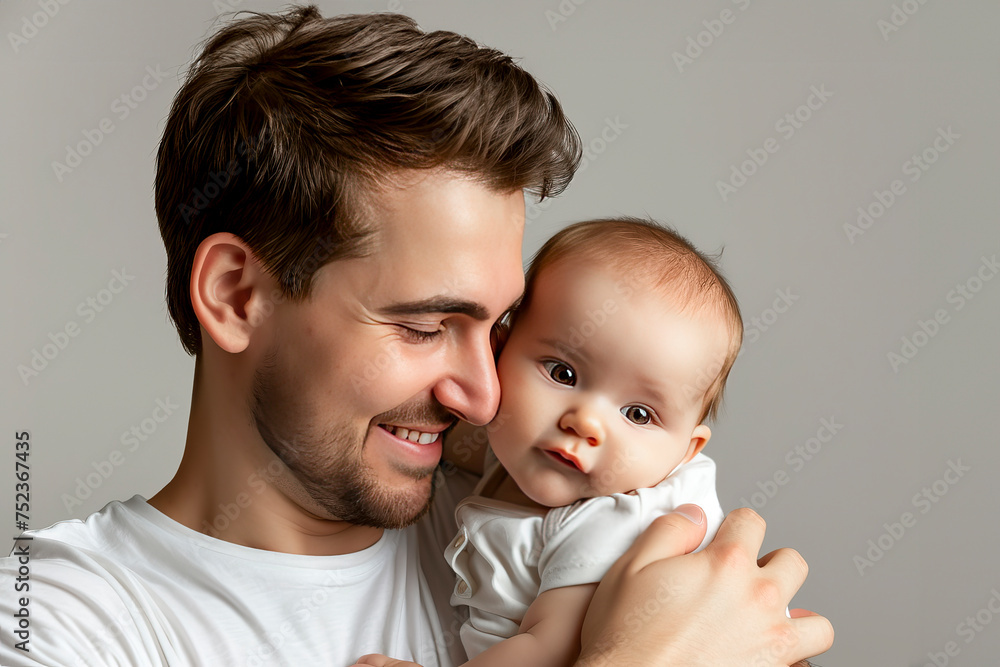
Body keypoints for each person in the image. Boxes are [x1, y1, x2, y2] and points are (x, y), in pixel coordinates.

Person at [0, 6, 832, 666]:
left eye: (499, 327)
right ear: (236, 294)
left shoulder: (541, 508)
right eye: (427, 325)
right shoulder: (59, 625)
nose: (483, 390)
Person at [354, 217, 738, 667]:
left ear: (686, 451)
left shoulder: (612, 522)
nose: (586, 423)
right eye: (563, 373)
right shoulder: (530, 455)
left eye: (638, 414)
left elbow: (546, 648)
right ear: (500, 349)